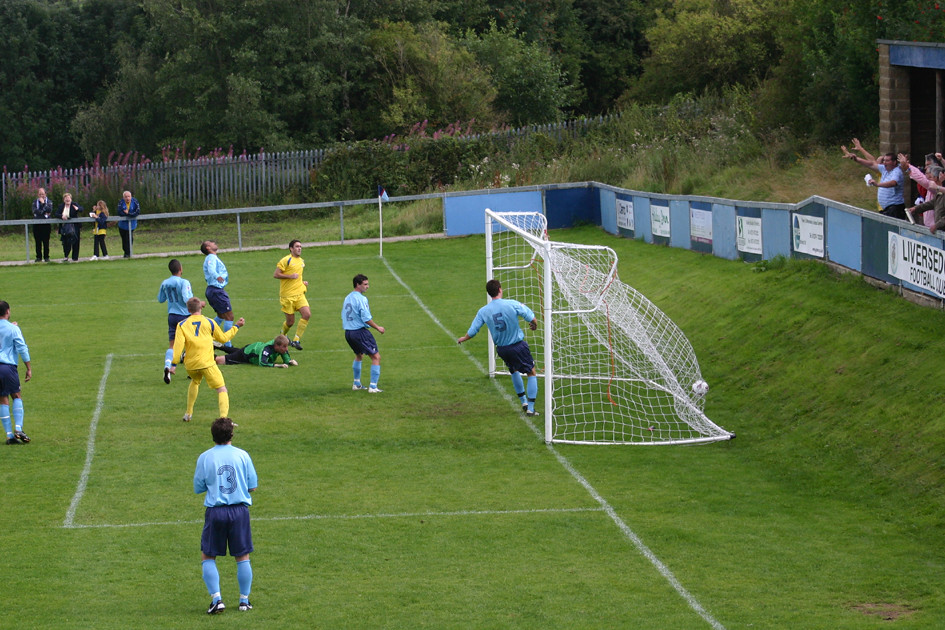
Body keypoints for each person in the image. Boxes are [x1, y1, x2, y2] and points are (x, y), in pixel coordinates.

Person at [194, 417, 257, 614]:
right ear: (231, 434)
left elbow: (199, 487)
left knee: (208, 556)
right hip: (239, 512)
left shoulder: (205, 457)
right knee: (242, 556)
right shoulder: (242, 455)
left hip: (216, 512)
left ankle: (217, 599)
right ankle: (244, 601)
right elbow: (252, 486)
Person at [457, 279, 540, 416]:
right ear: (500, 289)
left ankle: (523, 401)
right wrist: (534, 324)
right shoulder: (511, 304)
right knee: (531, 372)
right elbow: (530, 316)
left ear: (489, 293)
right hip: (518, 346)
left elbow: (473, 330)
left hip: (502, 350)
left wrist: (464, 338)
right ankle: (531, 408)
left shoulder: (483, 311)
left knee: (514, 370)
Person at [172, 297, 244, 422]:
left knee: (195, 381)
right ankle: (224, 420)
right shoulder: (209, 322)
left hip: (191, 364)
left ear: (188, 310)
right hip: (206, 363)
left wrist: (174, 364)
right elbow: (223, 338)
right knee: (221, 388)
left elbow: (178, 347)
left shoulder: (182, 325)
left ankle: (188, 414)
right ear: (201, 307)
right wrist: (236, 326)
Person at [841, 138, 906, 220]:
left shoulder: (896, 172)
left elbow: (893, 183)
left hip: (895, 208)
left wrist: (878, 184)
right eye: (884, 161)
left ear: (894, 162)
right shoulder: (884, 169)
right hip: (886, 208)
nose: (884, 163)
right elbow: (871, 163)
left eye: (887, 161)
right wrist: (855, 158)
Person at [342, 274, 385, 392]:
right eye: (365, 284)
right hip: (359, 332)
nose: (368, 287)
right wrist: (378, 328)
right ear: (358, 285)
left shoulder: (347, 297)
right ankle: (373, 387)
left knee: (359, 355)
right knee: (376, 357)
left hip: (348, 333)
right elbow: (366, 318)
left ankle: (356, 384)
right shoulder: (361, 299)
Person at [0, 301, 32, 444]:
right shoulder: (13, 329)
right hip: (7, 367)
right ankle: (18, 428)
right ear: (7, 311)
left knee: (2, 398)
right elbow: (22, 348)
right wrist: (28, 367)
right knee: (16, 395)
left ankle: (9, 436)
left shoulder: (11, 328)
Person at [158, 259, 194, 384]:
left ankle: (169, 366)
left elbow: (161, 299)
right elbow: (186, 298)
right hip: (185, 317)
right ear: (180, 269)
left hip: (172, 316)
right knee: (191, 344)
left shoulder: (165, 283)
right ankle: (192, 371)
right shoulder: (184, 282)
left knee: (172, 345)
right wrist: (198, 304)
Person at [273, 239, 309, 351]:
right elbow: (276, 274)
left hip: (299, 294)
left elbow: (298, 276)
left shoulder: (302, 261)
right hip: (287, 296)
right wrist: (290, 276)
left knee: (307, 314)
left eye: (300, 246)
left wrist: (302, 282)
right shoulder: (286, 260)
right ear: (291, 249)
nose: (299, 248)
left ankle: (296, 340)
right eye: (297, 246)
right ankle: (282, 334)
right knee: (290, 322)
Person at [202, 240, 236, 349]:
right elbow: (211, 270)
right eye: (211, 242)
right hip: (216, 290)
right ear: (208, 247)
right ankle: (228, 345)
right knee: (229, 317)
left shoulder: (211, 257)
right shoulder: (211, 258)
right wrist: (218, 276)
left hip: (213, 290)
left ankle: (207, 335)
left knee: (221, 316)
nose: (214, 242)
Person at [215, 334, 297, 368]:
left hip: (252, 348)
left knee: (235, 351)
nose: (286, 349)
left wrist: (290, 361)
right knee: (219, 360)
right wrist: (277, 365)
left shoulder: (280, 347)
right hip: (245, 355)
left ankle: (219, 346)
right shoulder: (267, 349)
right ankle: (205, 355)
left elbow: (286, 358)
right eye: (284, 347)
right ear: (277, 346)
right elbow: (262, 362)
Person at [907, 165, 945, 233]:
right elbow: (933, 202)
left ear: (936, 178)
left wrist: (937, 225)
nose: (929, 180)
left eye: (931, 177)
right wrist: (916, 208)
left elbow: (921, 179)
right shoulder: (939, 192)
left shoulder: (940, 189)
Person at [57, 193, 83, 262]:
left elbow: (81, 209)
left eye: (68, 198)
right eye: (66, 198)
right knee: (65, 242)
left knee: (76, 241)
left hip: (74, 227)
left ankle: (75, 258)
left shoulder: (74, 204)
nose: (67, 199)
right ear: (64, 199)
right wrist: (61, 216)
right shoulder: (61, 206)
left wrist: (77, 209)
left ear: (71, 199)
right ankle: (66, 256)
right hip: (65, 227)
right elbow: (56, 214)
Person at [31, 188, 53, 262]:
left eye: (43, 194)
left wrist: (43, 203)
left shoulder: (49, 202)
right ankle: (38, 257)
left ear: (45, 194)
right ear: (38, 194)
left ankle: (46, 257)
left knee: (46, 241)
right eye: (40, 194)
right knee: (37, 242)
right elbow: (35, 211)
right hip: (37, 224)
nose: (41, 195)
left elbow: (49, 210)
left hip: (46, 224)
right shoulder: (35, 202)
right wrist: (44, 212)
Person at [116, 190, 140, 258]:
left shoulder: (135, 202)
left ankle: (128, 253)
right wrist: (125, 214)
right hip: (122, 225)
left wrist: (128, 213)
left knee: (129, 238)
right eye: (126, 197)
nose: (127, 198)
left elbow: (137, 212)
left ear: (131, 196)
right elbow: (119, 212)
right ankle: (126, 252)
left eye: (129, 196)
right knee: (124, 239)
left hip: (131, 225)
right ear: (123, 197)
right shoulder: (121, 202)